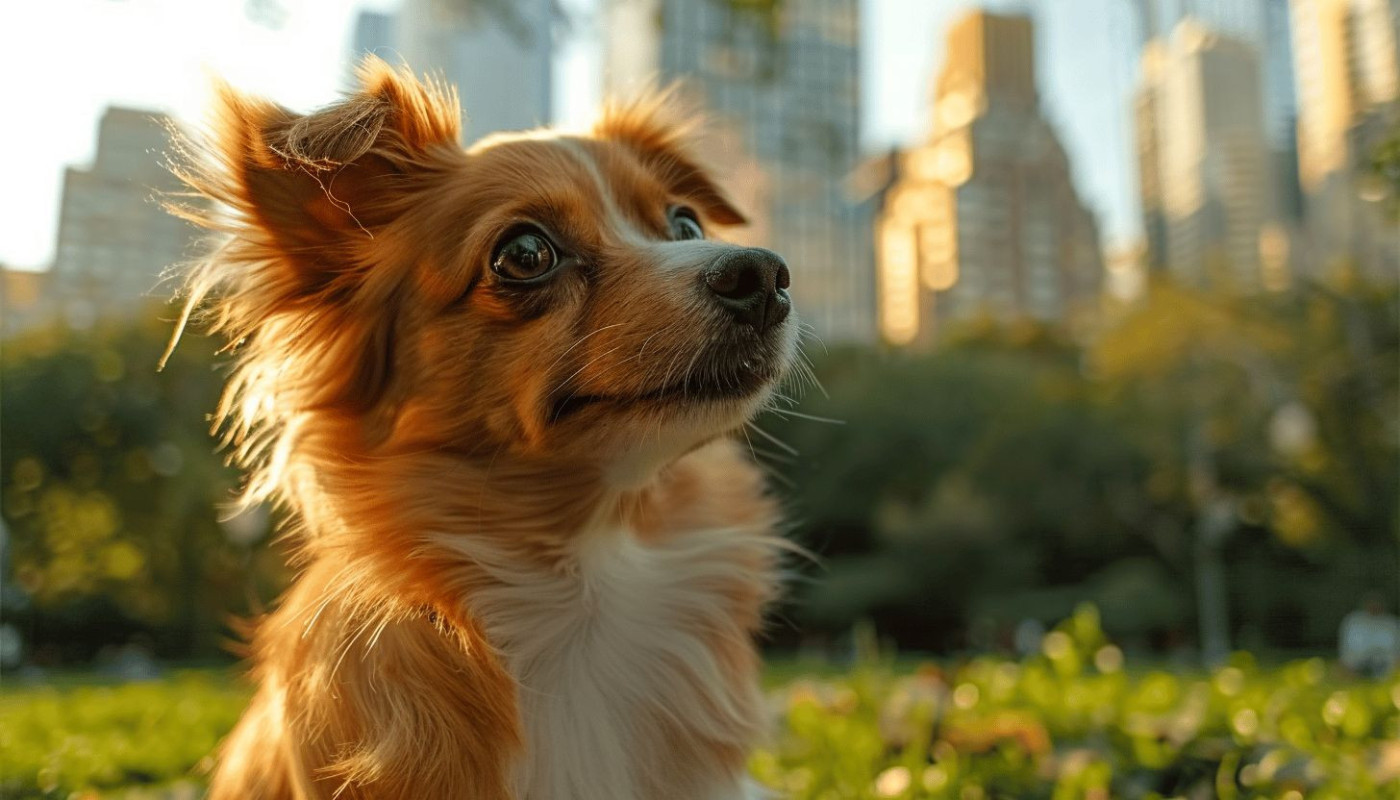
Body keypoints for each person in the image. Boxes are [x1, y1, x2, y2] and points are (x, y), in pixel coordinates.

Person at [1339, 593, 1400, 678]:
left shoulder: (1392, 623)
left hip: (1385, 663)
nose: (1373, 607)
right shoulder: (1353, 621)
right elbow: (1345, 647)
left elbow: (1397, 649)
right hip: (1356, 662)